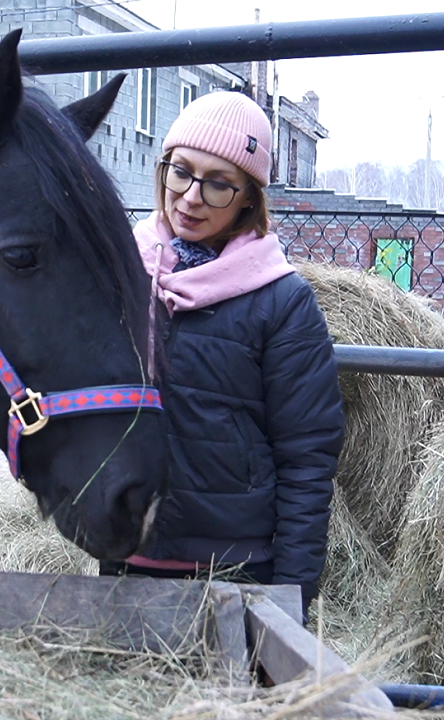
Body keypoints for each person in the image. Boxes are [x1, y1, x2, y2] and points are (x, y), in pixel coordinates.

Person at [101, 91, 345, 622]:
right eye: (180, 172)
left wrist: (294, 595)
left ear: (247, 199)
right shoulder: (118, 272)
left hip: (234, 568)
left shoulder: (282, 301)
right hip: (126, 552)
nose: (190, 197)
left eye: (217, 183)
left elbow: (307, 457)